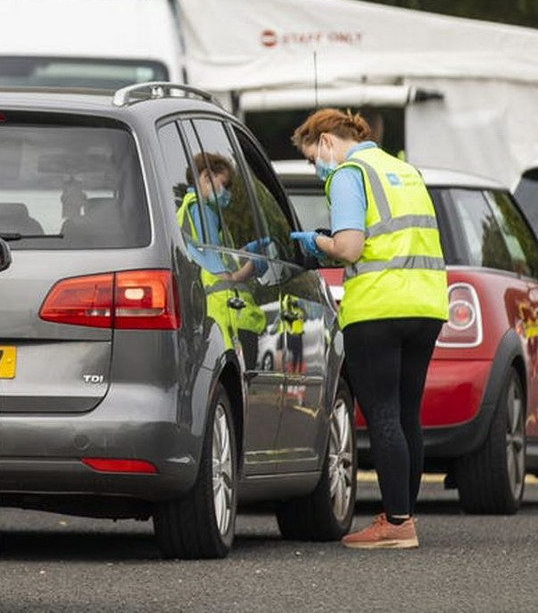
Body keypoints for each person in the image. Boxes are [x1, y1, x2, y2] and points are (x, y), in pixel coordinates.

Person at [289, 108, 447, 549]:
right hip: (426, 304)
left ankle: (396, 524)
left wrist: (315, 241)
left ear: (326, 142)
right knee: (407, 414)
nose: (317, 169)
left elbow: (350, 246)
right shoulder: (405, 171)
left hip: (378, 307)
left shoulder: (348, 173)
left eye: (312, 159)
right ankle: (404, 513)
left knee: (383, 415)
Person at [176, 151, 267, 369]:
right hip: (225, 313)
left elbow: (207, 256)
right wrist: (249, 267)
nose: (227, 193)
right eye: (224, 184)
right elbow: (216, 268)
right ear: (206, 176)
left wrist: (243, 252)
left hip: (214, 312)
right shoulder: (202, 211)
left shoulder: (187, 210)